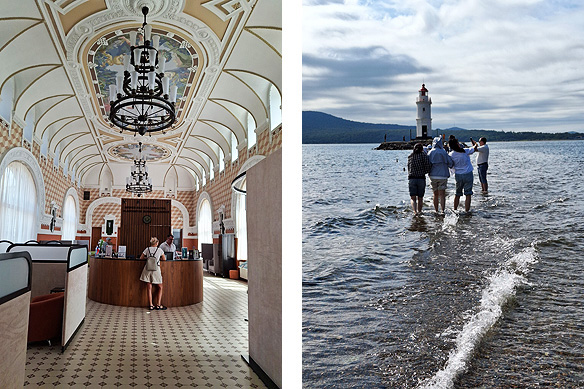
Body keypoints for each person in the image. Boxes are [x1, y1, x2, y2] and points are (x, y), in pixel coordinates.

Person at [427, 137, 454, 213]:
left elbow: (427, 163)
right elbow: (450, 163)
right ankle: (442, 210)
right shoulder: (444, 152)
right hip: (443, 175)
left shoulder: (430, 152)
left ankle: (436, 210)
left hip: (432, 175)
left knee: (435, 195)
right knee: (442, 195)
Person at [140, 237, 167, 310]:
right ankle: (158, 305)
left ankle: (151, 305)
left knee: (149, 287)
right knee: (160, 287)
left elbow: (141, 258)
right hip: (156, 269)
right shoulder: (160, 250)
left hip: (147, 269)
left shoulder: (147, 249)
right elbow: (164, 259)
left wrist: (148, 259)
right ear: (157, 243)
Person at [448, 138, 475, 212]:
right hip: (468, 174)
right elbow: (474, 148)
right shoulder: (465, 151)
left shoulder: (451, 154)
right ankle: (467, 211)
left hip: (458, 175)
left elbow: (450, 164)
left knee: (457, 194)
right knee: (468, 194)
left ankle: (455, 210)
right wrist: (474, 144)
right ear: (457, 144)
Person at [407, 143, 432, 214]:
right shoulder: (423, 155)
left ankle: (415, 212)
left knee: (413, 198)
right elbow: (428, 166)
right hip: (421, 178)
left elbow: (409, 168)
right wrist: (425, 171)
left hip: (412, 178)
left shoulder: (410, 156)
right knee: (420, 198)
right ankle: (419, 212)